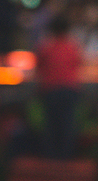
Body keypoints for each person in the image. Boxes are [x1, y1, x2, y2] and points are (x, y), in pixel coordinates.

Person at [35, 11, 83, 159]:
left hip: (50, 89)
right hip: (69, 90)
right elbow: (79, 63)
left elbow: (39, 67)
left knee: (50, 125)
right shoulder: (73, 46)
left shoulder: (46, 46)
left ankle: (50, 158)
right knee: (67, 125)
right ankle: (66, 157)